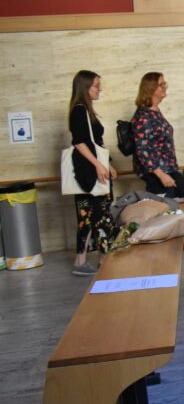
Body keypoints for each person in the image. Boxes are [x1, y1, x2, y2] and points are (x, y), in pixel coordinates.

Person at [130, 72, 184, 245]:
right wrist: (161, 175)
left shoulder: (155, 112)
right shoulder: (143, 116)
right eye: (161, 84)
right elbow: (142, 149)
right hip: (158, 172)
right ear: (151, 88)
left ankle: (180, 240)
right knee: (165, 211)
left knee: (183, 196)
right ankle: (167, 249)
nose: (165, 86)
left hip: (168, 168)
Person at [67, 70, 117, 276]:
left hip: (93, 171)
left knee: (97, 215)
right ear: (85, 87)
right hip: (90, 173)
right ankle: (89, 260)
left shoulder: (85, 111)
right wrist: (98, 164)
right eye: (96, 85)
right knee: (94, 216)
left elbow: (95, 143)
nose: (100, 89)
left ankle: (97, 259)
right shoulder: (79, 111)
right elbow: (79, 143)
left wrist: (107, 164)